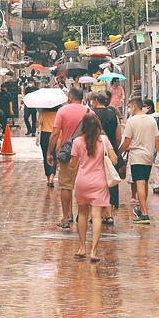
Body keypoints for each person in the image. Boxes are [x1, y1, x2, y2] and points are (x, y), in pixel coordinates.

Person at [69, 112, 117, 262]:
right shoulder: (103, 140)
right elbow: (114, 160)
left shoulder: (77, 141)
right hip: (99, 182)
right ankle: (93, 251)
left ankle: (82, 248)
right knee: (96, 216)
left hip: (82, 181)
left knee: (82, 214)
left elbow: (72, 164)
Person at [46, 88, 89, 229]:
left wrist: (49, 153)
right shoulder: (90, 112)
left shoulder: (62, 111)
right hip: (86, 155)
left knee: (66, 186)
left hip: (68, 154)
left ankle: (65, 218)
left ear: (70, 97)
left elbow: (55, 134)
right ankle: (82, 215)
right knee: (84, 186)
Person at [120, 97, 159, 225]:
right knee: (145, 182)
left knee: (139, 184)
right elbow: (157, 139)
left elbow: (126, 141)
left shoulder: (131, 121)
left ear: (134, 107)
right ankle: (143, 209)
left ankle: (144, 214)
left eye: (130, 107)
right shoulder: (151, 120)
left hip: (137, 156)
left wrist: (117, 152)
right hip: (149, 156)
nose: (129, 110)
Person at [90, 91, 121, 224]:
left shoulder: (90, 115)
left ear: (96, 100)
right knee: (109, 180)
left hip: (93, 151)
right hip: (110, 150)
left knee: (95, 182)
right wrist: (113, 149)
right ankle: (109, 214)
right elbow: (118, 136)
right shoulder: (113, 114)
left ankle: (96, 213)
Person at [38, 106, 59, 188]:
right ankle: (52, 176)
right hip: (54, 134)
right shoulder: (57, 114)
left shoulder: (42, 113)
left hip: (44, 135)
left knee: (45, 155)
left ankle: (47, 177)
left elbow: (37, 124)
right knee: (53, 155)